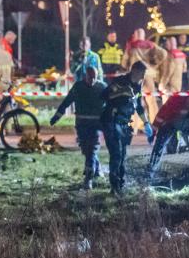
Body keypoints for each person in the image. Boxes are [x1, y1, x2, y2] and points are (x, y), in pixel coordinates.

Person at [50, 67, 107, 189]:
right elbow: (67, 102)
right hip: (82, 124)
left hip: (96, 125)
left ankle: (88, 179)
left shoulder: (102, 87)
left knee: (91, 149)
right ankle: (97, 168)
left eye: (94, 78)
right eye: (90, 77)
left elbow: (111, 104)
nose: (92, 80)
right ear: (85, 76)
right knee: (86, 150)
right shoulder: (78, 87)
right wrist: (56, 116)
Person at [101, 61, 152, 196]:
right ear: (134, 70)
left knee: (123, 155)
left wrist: (146, 123)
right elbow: (104, 95)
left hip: (125, 124)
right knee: (116, 154)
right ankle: (114, 186)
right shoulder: (119, 81)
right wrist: (121, 92)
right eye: (142, 73)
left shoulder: (137, 86)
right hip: (112, 121)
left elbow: (139, 106)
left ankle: (120, 184)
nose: (143, 76)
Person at [120, 28, 167, 125]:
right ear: (144, 35)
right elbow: (164, 53)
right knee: (151, 100)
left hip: (135, 76)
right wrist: (155, 63)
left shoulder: (131, 45)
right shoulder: (150, 44)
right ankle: (156, 122)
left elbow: (124, 62)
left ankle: (134, 125)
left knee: (135, 100)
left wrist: (126, 67)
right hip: (148, 74)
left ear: (136, 35)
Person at [158, 36, 187, 102]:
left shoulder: (170, 56)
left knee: (167, 106)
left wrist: (162, 84)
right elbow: (184, 69)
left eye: (167, 44)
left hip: (169, 86)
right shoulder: (182, 55)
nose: (166, 46)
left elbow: (168, 72)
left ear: (171, 44)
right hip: (178, 85)